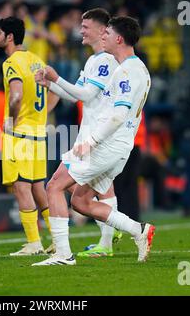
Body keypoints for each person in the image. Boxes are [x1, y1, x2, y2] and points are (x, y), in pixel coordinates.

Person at [33, 16, 155, 266]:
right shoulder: (129, 68)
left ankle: (63, 255)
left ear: (118, 38)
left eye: (107, 33)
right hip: (114, 145)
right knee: (80, 201)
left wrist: (92, 141)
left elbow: (119, 114)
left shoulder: (126, 71)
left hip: (105, 144)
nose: (103, 37)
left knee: (54, 186)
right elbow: (87, 97)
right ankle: (138, 230)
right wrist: (53, 84)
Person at [35, 8, 122, 258]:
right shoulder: (93, 60)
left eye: (85, 26)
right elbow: (76, 97)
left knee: (58, 184)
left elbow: (86, 95)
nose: (80, 30)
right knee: (100, 187)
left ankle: (110, 233)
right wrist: (50, 84)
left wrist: (57, 77)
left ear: (101, 30)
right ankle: (109, 235)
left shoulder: (106, 60)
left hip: (97, 136)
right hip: (91, 133)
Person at [0, 17, 56, 255]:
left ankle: (34, 243)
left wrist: (12, 119)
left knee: (21, 187)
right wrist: (41, 114)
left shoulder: (11, 63)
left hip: (20, 135)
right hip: (38, 133)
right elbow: (56, 91)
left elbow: (16, 95)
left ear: (9, 37)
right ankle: (57, 240)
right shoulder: (36, 60)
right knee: (38, 188)